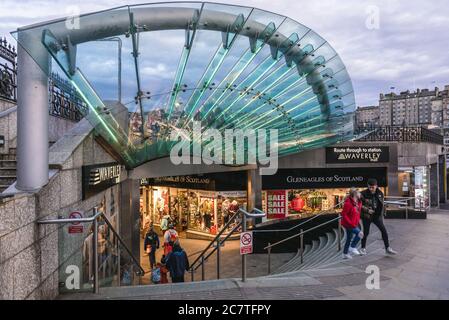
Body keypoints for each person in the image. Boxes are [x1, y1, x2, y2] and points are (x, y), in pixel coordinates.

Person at [360, 178, 398, 255]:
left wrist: (383, 213)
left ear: (376, 186)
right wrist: (367, 210)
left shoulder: (380, 193)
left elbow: (381, 204)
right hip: (367, 216)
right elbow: (360, 205)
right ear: (367, 186)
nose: (371, 189)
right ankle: (363, 248)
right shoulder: (363, 193)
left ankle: (387, 248)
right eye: (369, 187)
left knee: (384, 231)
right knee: (366, 232)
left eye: (372, 187)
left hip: (376, 216)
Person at [341, 188, 363, 259]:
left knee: (349, 238)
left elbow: (357, 213)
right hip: (349, 224)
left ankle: (345, 254)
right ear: (355, 194)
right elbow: (344, 214)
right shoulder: (348, 203)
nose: (360, 194)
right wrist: (350, 223)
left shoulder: (358, 202)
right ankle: (352, 247)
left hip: (354, 223)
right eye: (359, 193)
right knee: (360, 234)